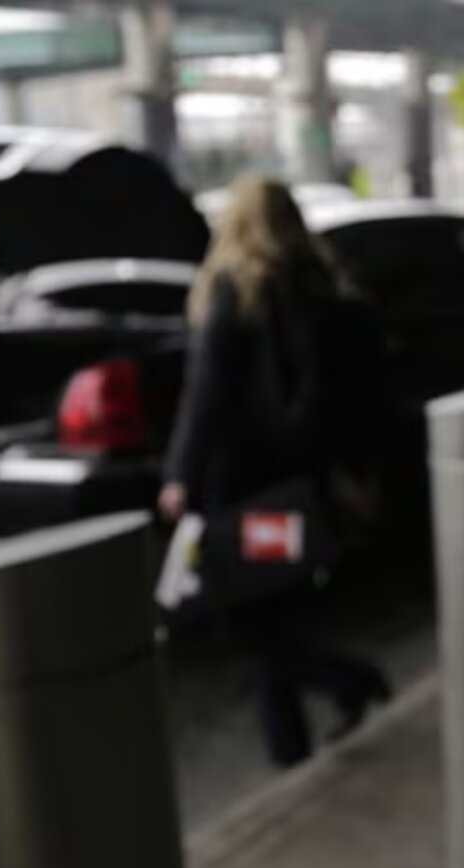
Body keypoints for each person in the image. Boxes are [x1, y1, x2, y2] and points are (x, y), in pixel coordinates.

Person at [158, 174, 391, 768]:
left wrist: (180, 474)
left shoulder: (235, 290)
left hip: (244, 488)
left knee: (249, 624)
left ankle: (349, 681)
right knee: (272, 608)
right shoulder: (322, 285)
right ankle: (292, 752)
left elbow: (206, 391)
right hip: (299, 487)